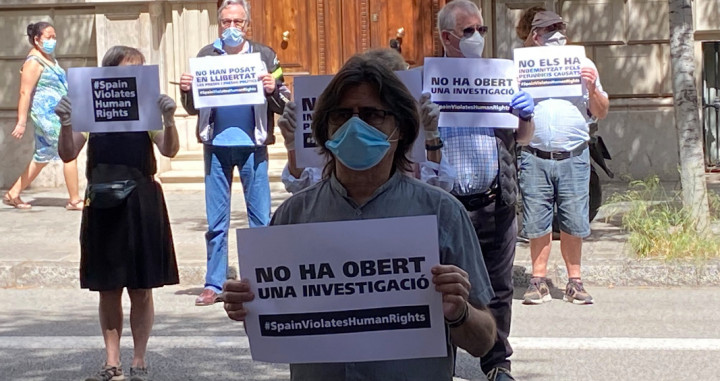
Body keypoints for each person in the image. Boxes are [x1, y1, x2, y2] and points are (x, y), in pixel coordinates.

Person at [223, 53, 497, 381]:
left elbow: (483, 341)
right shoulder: (294, 216)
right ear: (324, 128)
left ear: (401, 127)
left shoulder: (442, 212)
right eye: (342, 115)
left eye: (372, 114)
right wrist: (246, 308)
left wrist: (459, 313)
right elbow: (271, 328)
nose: (355, 125)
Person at [56, 46, 180, 381]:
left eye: (140, 70)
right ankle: (112, 362)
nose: (135, 76)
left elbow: (168, 149)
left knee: (141, 287)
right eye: (128, 69)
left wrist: (168, 120)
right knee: (108, 286)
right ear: (108, 74)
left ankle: (139, 360)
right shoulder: (90, 106)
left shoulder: (147, 106)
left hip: (142, 198)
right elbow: (68, 153)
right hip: (103, 199)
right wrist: (66, 123)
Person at [433, 1, 535, 380]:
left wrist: (525, 114)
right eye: (468, 31)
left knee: (498, 287)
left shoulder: (500, 77)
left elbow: (523, 138)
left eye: (482, 30)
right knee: (442, 288)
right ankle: (438, 362)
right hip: (446, 206)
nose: (478, 37)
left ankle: (497, 364)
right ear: (447, 37)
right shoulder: (427, 82)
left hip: (495, 201)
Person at [179, 0, 289, 306]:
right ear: (219, 25)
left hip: (253, 146)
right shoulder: (205, 55)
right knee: (216, 221)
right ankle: (213, 283)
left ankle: (264, 279)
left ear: (247, 25)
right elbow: (191, 107)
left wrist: (272, 88)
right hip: (216, 146)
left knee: (260, 219)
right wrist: (186, 90)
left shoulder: (265, 55)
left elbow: (284, 100)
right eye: (226, 22)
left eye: (237, 22)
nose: (231, 28)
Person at [519, 11, 609, 306]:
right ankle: (538, 281)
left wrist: (593, 87)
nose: (556, 33)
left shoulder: (583, 64)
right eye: (549, 29)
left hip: (574, 154)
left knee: (574, 219)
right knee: (537, 221)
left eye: (560, 27)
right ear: (536, 36)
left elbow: (601, 110)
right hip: (535, 155)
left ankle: (575, 282)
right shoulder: (523, 68)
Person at [278, 48, 454, 194]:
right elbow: (302, 186)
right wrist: (293, 145)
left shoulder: (408, 137)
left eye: (374, 113)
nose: (359, 122)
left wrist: (431, 135)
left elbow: (440, 186)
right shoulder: (339, 138)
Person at [3, 22, 82, 210]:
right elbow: (24, 92)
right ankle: (75, 199)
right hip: (47, 116)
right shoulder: (33, 62)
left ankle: (13, 193)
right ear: (37, 39)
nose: (52, 41)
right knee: (69, 151)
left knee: (43, 155)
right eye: (48, 37)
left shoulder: (49, 59)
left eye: (54, 37)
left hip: (58, 114)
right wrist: (21, 122)